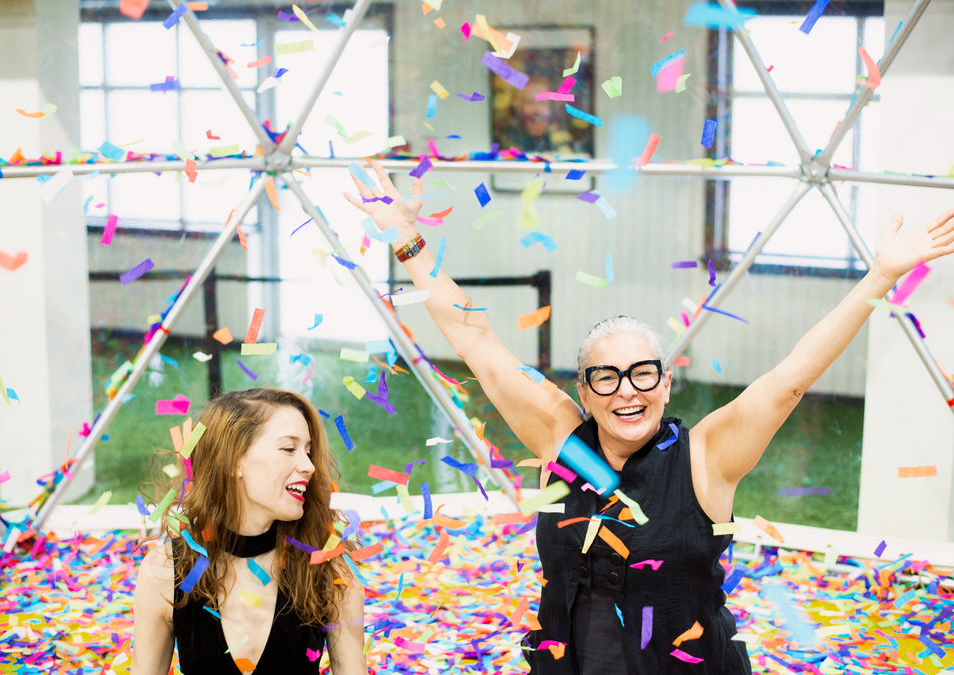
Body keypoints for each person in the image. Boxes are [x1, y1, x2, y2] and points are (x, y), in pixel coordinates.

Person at [345, 160, 954, 673]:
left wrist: (882, 275)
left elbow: (791, 378)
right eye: (606, 378)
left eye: (643, 374)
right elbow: (473, 336)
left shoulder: (705, 456)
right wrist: (406, 237)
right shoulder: (566, 442)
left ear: (664, 384)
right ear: (584, 392)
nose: (626, 392)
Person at [132, 388, 367, 675]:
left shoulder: (330, 570)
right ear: (234, 461)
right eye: (289, 449)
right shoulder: (166, 571)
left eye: (308, 451)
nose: (309, 466)